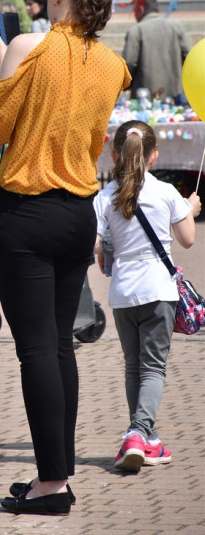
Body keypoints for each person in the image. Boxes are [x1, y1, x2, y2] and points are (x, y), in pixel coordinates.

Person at [0, 0, 131, 516]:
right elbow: (86, 138)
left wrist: (3, 69)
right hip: (76, 212)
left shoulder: (29, 47)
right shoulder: (112, 64)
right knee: (60, 344)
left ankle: (50, 485)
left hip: (27, 209)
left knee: (37, 349)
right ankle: (57, 475)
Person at [93, 120, 201, 472]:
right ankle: (138, 432)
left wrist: (107, 251)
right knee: (153, 367)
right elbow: (188, 240)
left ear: (114, 154)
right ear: (154, 156)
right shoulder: (165, 192)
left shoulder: (105, 197)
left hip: (123, 291)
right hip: (159, 288)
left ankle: (147, 438)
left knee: (133, 366)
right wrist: (191, 209)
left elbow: (95, 246)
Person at [122, 0, 192, 100]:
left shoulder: (136, 31)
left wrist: (125, 85)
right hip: (175, 94)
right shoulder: (177, 27)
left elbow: (129, 63)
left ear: (140, 9)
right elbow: (190, 57)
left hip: (145, 98)